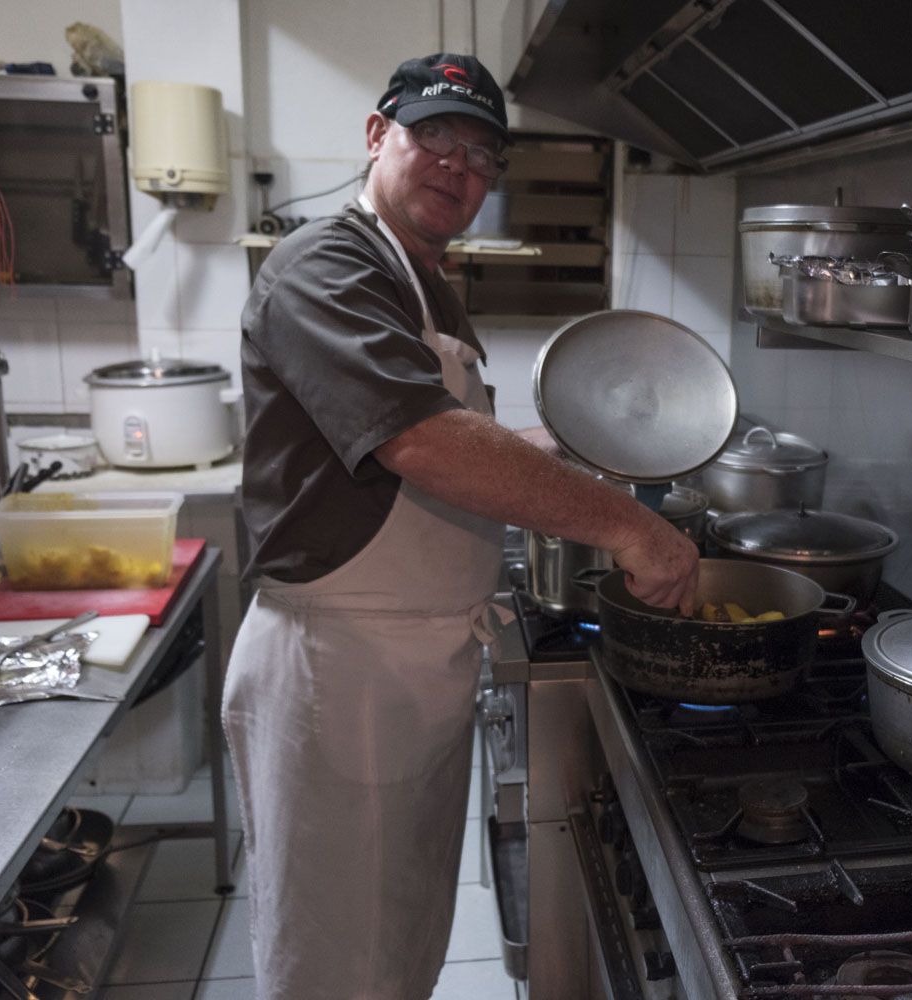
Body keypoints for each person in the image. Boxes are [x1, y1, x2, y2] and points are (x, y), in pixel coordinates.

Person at [223, 53, 700, 1000]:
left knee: (394, 948)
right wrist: (630, 528)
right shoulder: (325, 264)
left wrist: (566, 449)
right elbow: (420, 441)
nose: (457, 165)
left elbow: (447, 434)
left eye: (482, 154)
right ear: (376, 135)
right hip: (342, 676)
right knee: (338, 968)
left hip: (410, 671)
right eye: (433, 135)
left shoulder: (422, 283)